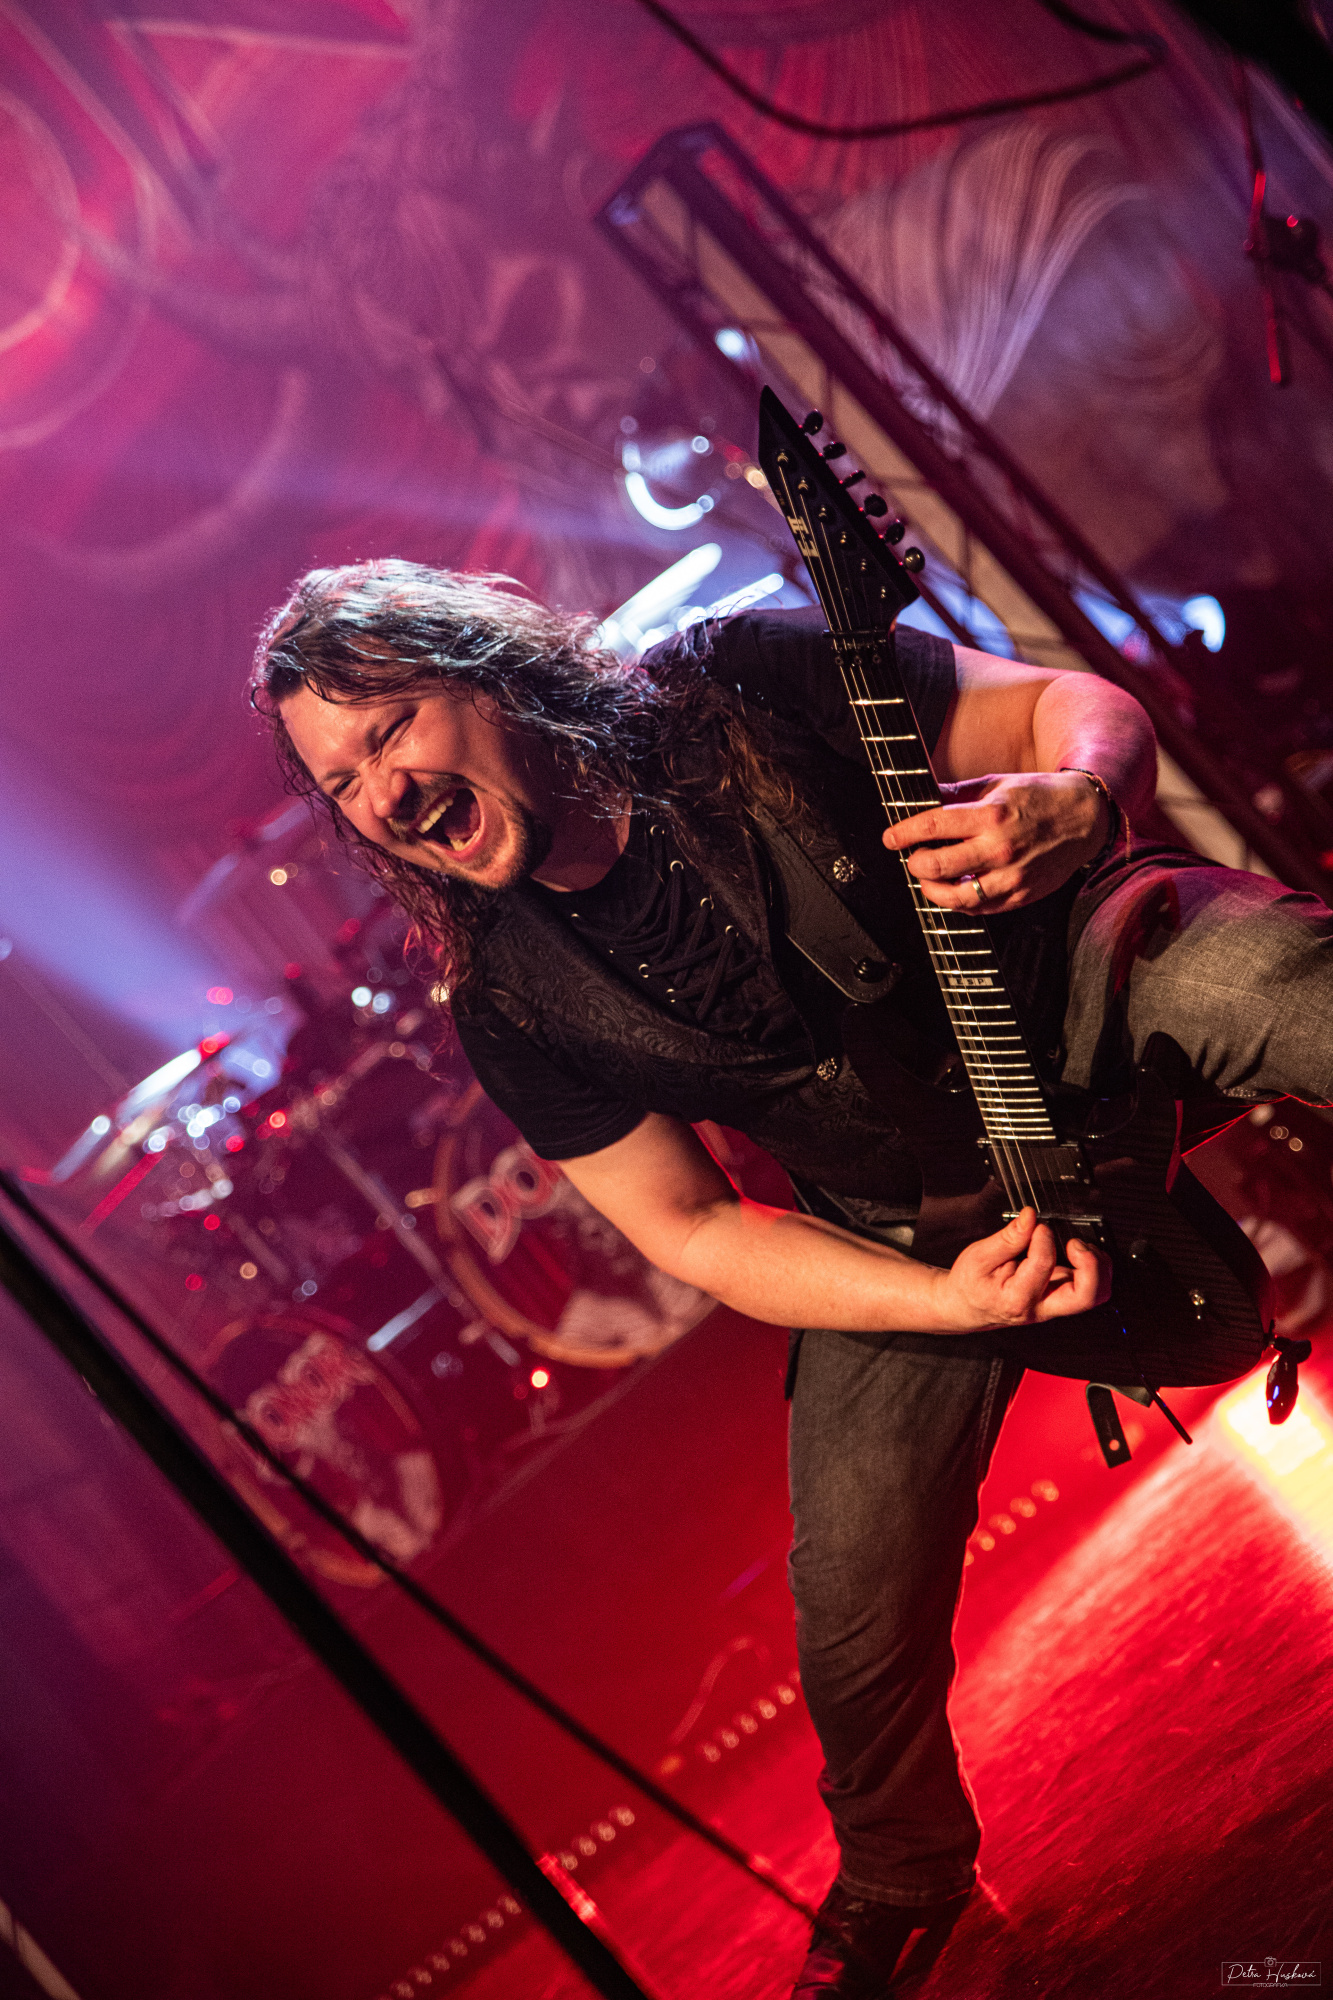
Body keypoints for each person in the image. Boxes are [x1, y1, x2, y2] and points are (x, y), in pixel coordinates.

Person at [252, 560, 1332, 1997]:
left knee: (1273, 985)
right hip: (914, 1213)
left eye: (389, 731)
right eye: (341, 784)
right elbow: (692, 1227)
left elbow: (1065, 707)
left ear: (488, 671)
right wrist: (946, 1301)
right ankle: (900, 1870)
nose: (380, 794)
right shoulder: (506, 997)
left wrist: (1079, 798)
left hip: (1066, 987)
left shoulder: (733, 685)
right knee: (853, 1593)